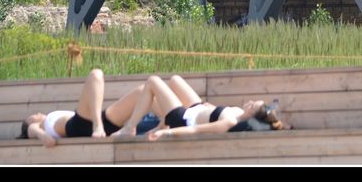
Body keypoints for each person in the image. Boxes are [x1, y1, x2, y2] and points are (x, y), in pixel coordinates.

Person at [112, 73, 289, 140]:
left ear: (251, 115)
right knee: (175, 80)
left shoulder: (230, 122)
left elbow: (197, 130)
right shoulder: (239, 112)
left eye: (252, 105)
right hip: (197, 108)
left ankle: (130, 127)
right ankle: (161, 121)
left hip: (184, 119)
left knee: (153, 82)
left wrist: (167, 132)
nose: (249, 102)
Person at [17, 68, 148, 148]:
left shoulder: (46, 121)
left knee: (144, 90)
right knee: (96, 74)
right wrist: (38, 133)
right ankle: (97, 125)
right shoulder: (34, 127)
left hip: (100, 122)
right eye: (33, 115)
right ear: (29, 122)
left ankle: (165, 126)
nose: (38, 113)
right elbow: (48, 141)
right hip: (79, 125)